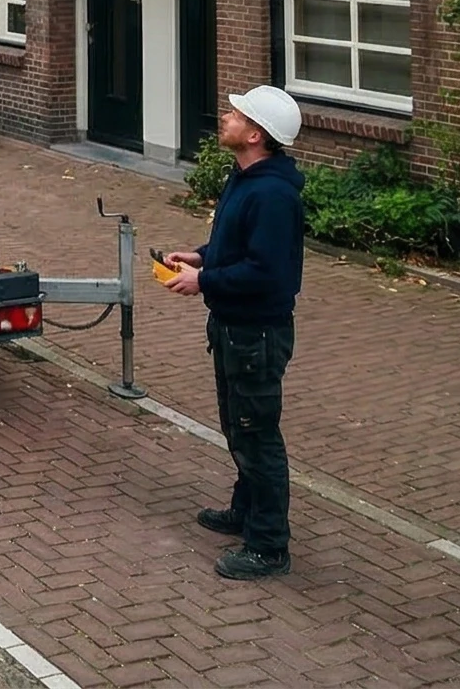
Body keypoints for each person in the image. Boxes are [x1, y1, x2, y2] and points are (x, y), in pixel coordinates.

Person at [161, 84, 307, 580]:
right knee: (238, 426)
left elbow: (269, 273)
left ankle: (268, 546)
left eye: (236, 114)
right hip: (232, 327)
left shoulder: (272, 195)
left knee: (257, 435)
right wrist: (202, 255)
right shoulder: (245, 178)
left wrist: (204, 280)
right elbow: (238, 245)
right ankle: (245, 512)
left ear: (255, 134)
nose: (225, 117)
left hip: (256, 333)